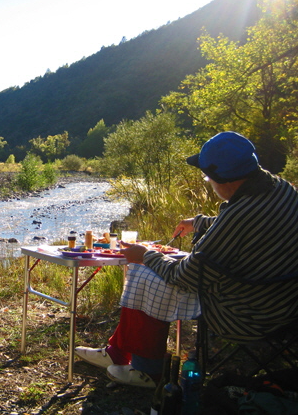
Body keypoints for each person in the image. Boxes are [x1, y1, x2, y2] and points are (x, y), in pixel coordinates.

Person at [75, 131, 298, 388]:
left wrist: (145, 255)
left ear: (222, 179)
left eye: (207, 176)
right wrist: (201, 223)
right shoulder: (279, 188)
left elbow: (184, 278)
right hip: (286, 301)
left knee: (148, 274)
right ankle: (118, 352)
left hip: (248, 314)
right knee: (151, 270)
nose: (208, 181)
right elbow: (254, 225)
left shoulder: (237, 216)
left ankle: (149, 371)